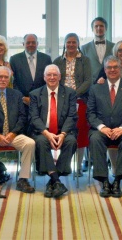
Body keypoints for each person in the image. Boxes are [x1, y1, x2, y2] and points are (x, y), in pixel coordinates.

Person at [87, 56, 122, 198]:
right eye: (109, 67)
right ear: (104, 70)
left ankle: (117, 180)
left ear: (120, 68)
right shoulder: (95, 89)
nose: (112, 70)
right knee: (95, 139)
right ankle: (104, 181)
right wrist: (101, 127)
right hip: (102, 129)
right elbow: (90, 113)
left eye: (115, 67)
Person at [0, 66, 36, 196]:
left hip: (12, 134)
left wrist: (13, 133)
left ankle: (23, 179)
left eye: (5, 77)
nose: (3, 79)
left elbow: (22, 117)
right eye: (0, 77)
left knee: (30, 143)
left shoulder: (16, 95)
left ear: (9, 79)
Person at [29, 65, 78, 198]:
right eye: (49, 75)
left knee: (71, 141)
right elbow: (34, 117)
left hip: (64, 132)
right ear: (44, 77)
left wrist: (62, 134)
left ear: (60, 77)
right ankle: (56, 181)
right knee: (40, 142)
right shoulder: (35, 94)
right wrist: (46, 133)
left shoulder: (70, 93)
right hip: (43, 132)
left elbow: (72, 116)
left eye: (54, 75)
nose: (52, 77)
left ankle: (53, 180)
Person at [53, 33, 93, 172]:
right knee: (62, 131)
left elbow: (88, 80)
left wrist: (73, 94)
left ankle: (79, 167)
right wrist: (64, 96)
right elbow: (54, 79)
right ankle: (63, 164)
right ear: (64, 44)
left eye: (73, 42)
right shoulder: (57, 61)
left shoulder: (85, 60)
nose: (71, 45)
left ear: (78, 44)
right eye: (68, 42)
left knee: (81, 132)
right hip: (60, 102)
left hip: (80, 101)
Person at [11, 33, 53, 105]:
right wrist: (23, 97)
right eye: (28, 43)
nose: (31, 44)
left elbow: (49, 79)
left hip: (42, 101)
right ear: (23, 44)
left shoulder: (46, 59)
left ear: (37, 43)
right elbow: (13, 81)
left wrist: (41, 97)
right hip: (21, 102)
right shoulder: (14, 59)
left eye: (33, 42)